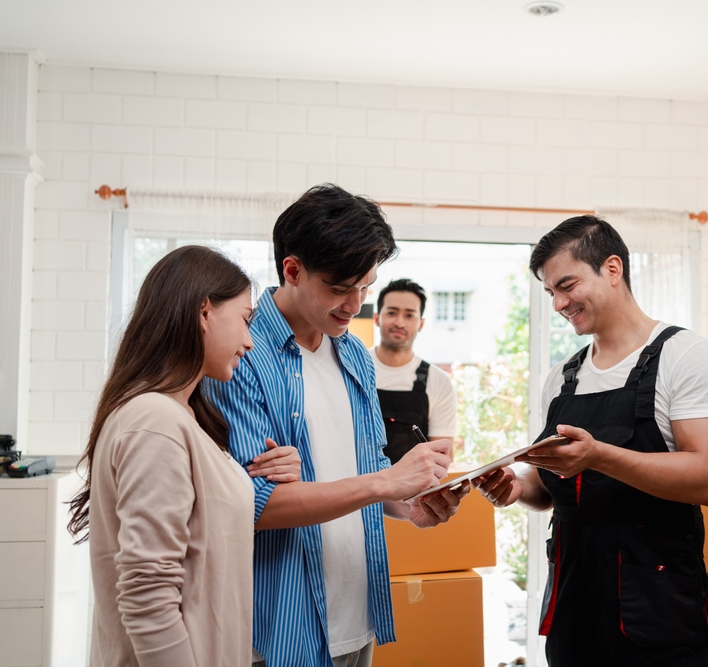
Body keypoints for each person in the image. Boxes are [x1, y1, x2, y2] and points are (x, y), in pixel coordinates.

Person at [202, 184, 468, 667]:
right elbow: (254, 506)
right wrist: (385, 480)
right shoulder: (238, 356)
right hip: (279, 627)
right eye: (341, 288)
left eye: (365, 287)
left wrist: (406, 504)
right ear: (293, 269)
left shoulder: (353, 356)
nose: (356, 305)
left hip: (357, 612)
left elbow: (362, 471)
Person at [475, 216, 708, 667]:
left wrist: (598, 455)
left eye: (567, 285)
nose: (559, 303)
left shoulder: (688, 357)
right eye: (550, 293)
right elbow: (552, 485)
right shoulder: (562, 378)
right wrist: (518, 485)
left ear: (612, 269)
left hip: (658, 616)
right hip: (572, 613)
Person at [67, 246, 302, 667]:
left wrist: (267, 475)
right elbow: (147, 596)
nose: (249, 342)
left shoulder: (181, 416)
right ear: (204, 312)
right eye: (246, 320)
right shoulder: (154, 421)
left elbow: (203, 534)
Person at [369, 278, 458, 464]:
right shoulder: (353, 368)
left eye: (409, 315)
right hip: (355, 490)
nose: (400, 322)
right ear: (377, 318)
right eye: (392, 313)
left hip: (414, 492)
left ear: (421, 323)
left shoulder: (438, 382)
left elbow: (442, 459)